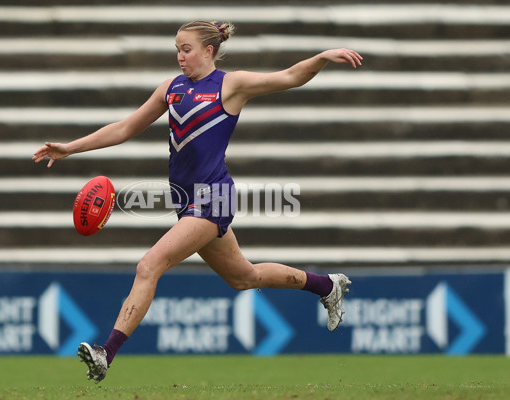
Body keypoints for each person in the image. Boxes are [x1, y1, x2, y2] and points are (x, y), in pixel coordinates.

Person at [33, 21, 361, 384]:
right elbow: (125, 128)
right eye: (177, 48)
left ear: (209, 50)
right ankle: (326, 286)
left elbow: (289, 77)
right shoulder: (171, 88)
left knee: (149, 265)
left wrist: (321, 57)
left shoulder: (230, 84)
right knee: (243, 276)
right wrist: (70, 147)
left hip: (214, 197)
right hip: (187, 201)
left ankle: (105, 353)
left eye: (186, 49)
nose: (179, 56)